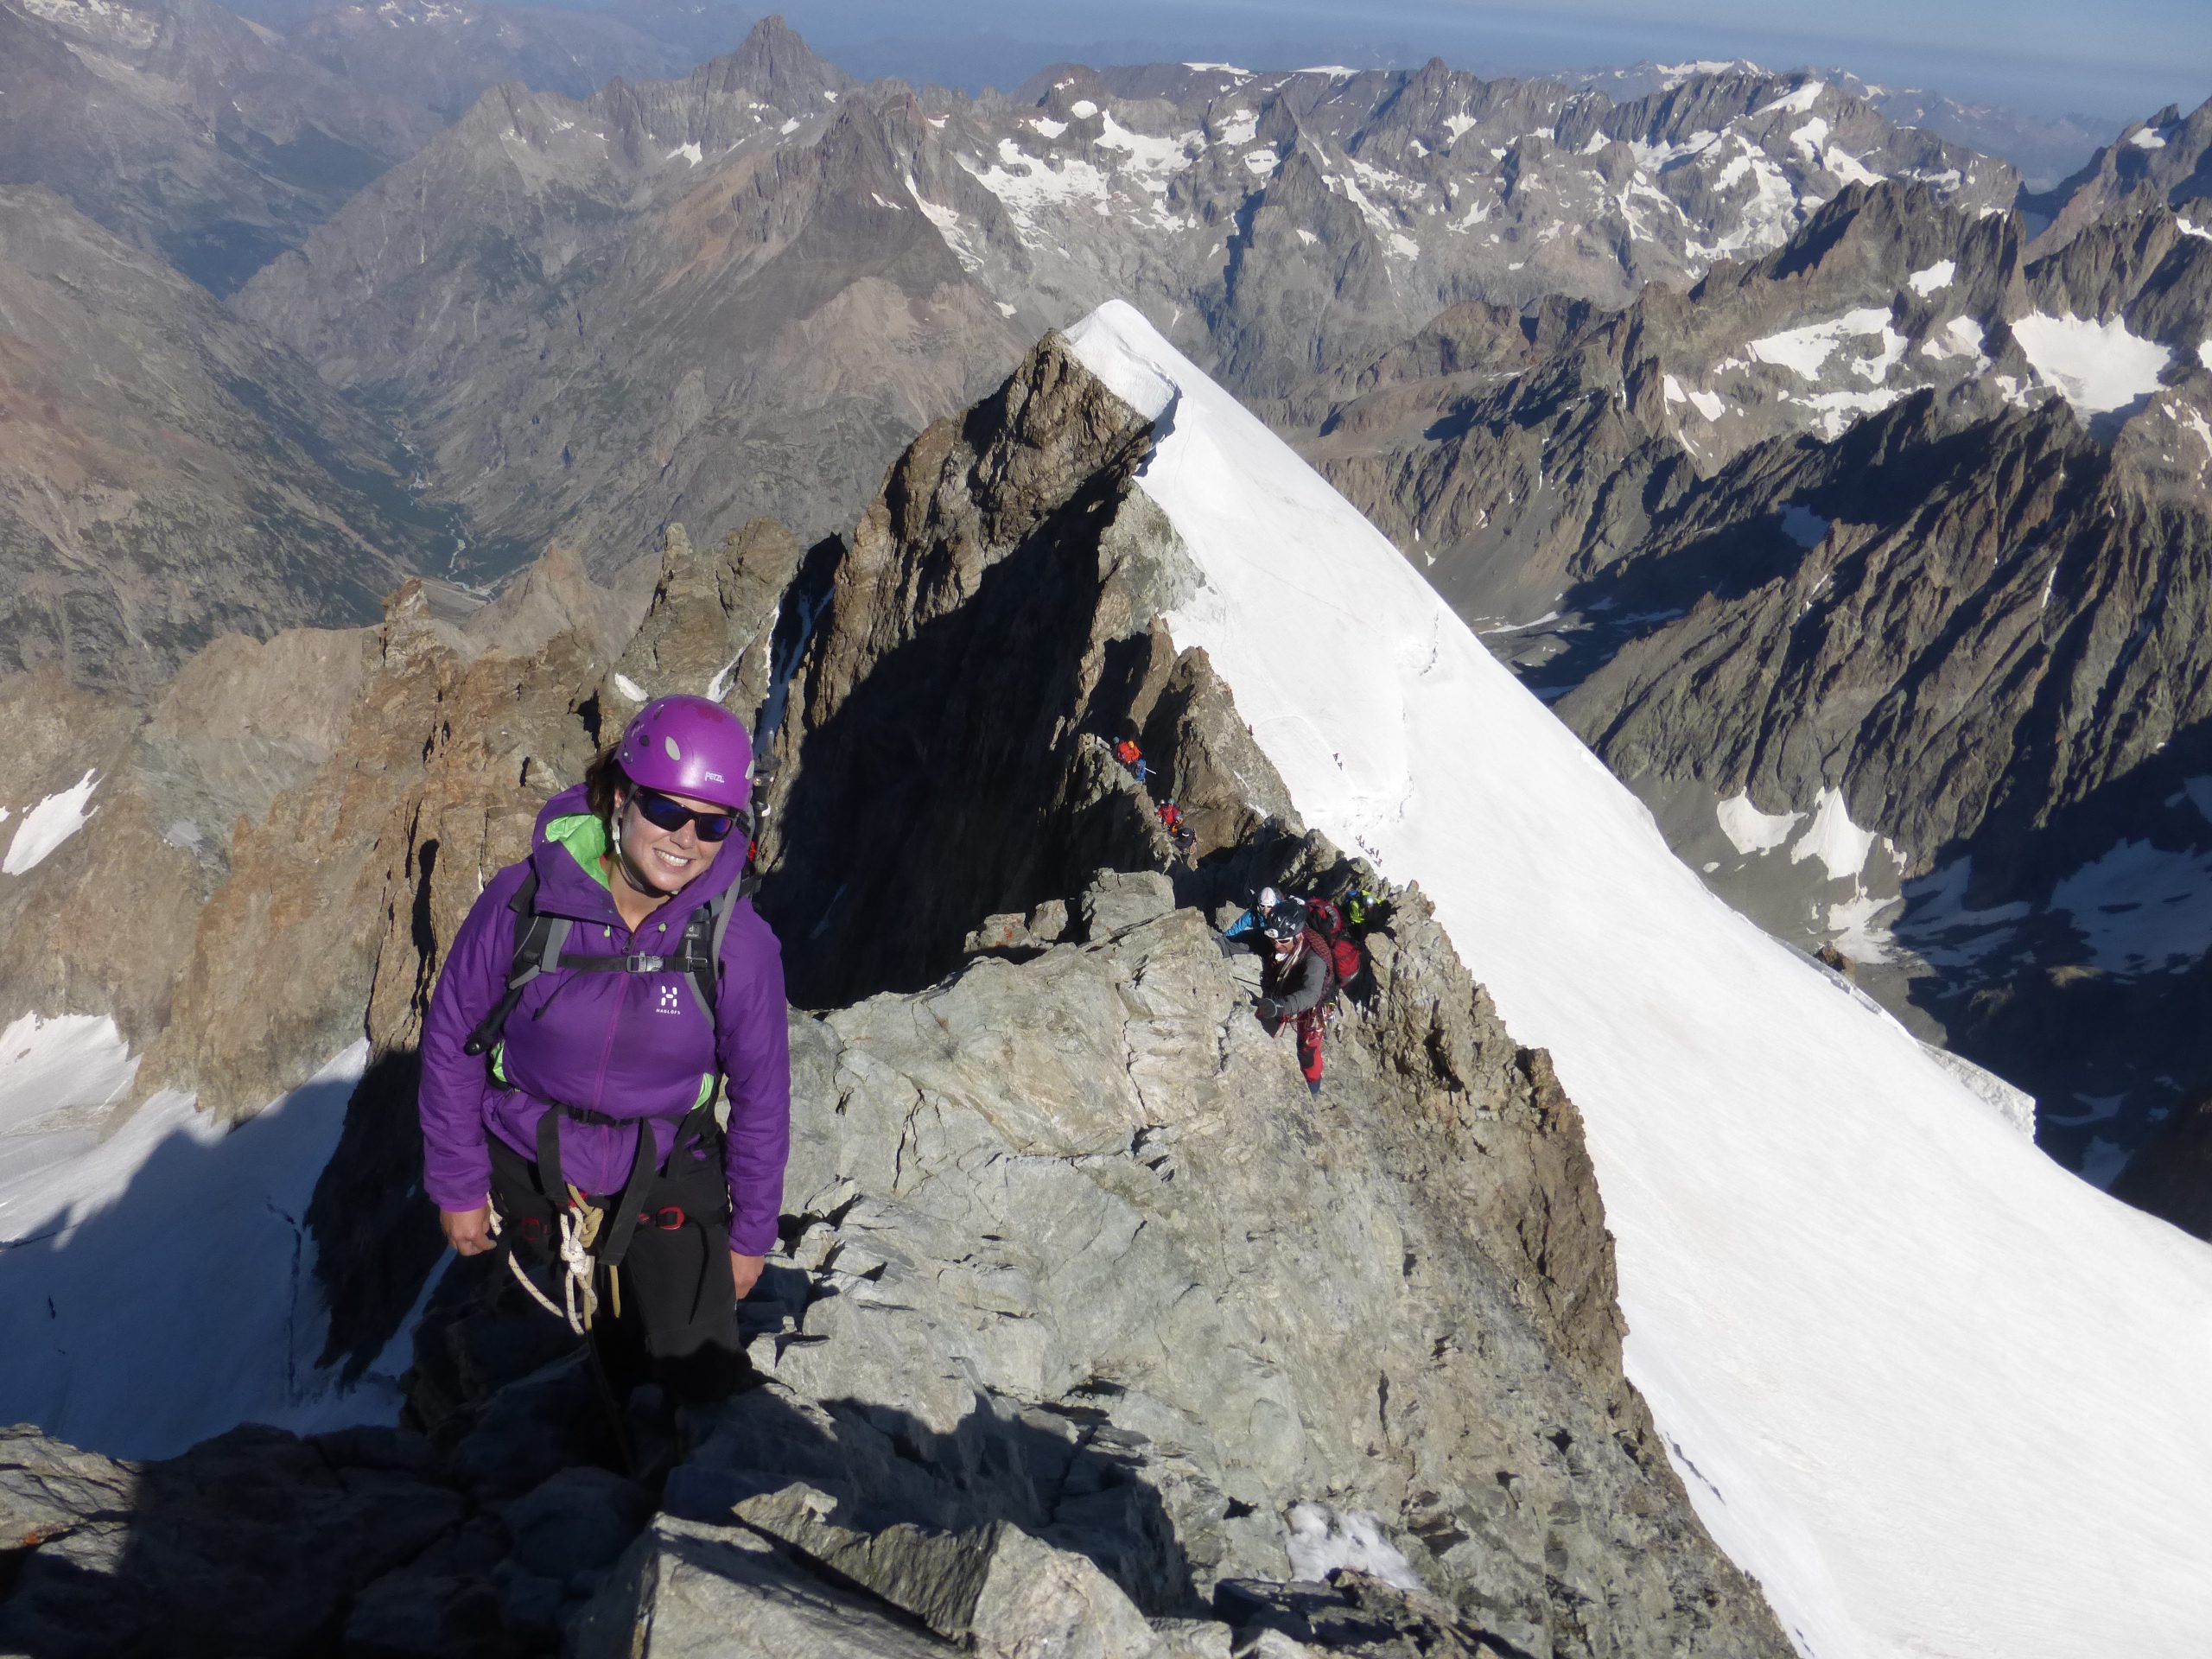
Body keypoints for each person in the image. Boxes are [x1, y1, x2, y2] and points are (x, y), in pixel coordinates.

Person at [417, 695, 790, 1401]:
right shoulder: (523, 901)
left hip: (668, 1174)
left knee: (703, 1391)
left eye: (712, 823)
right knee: (535, 1402)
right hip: (529, 1172)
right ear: (620, 798)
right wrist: (459, 1183)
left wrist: (750, 1235)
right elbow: (452, 1041)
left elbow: (763, 1095)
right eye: (666, 810)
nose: (686, 838)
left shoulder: (738, 943)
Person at [1252, 893, 1338, 1097]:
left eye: (1281, 940)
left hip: (1316, 1005)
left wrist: (1280, 1007)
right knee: (1265, 1019)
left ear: (1298, 935)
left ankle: (1313, 1091)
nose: (1276, 945)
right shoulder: (1279, 941)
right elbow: (1248, 941)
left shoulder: (1315, 959)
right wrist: (1221, 945)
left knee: (1307, 1051)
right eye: (1273, 939)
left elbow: (1310, 995)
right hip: (1286, 992)